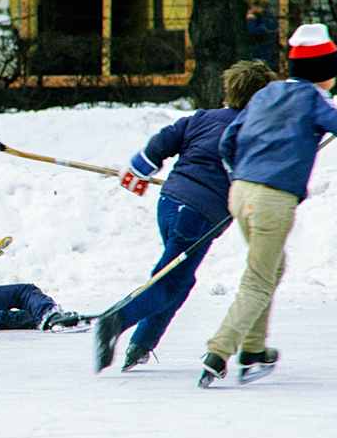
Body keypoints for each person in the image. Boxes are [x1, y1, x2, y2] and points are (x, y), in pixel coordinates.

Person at [198, 23, 337, 387]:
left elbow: (229, 139)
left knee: (271, 267)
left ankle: (253, 350)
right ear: (324, 73)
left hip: (241, 192)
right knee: (259, 280)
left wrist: (241, 175)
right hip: (272, 199)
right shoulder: (312, 99)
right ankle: (219, 352)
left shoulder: (267, 93)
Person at [94, 60, 276, 374]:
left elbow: (164, 141)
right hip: (199, 216)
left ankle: (142, 344)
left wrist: (141, 169)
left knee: (178, 280)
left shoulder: (203, 118)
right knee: (169, 281)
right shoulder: (254, 132)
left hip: (169, 205)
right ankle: (118, 319)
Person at [246, 0, 279, 69]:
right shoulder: (266, 16)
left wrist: (251, 20)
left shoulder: (265, 17)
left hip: (264, 51)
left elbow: (255, 31)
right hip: (265, 50)